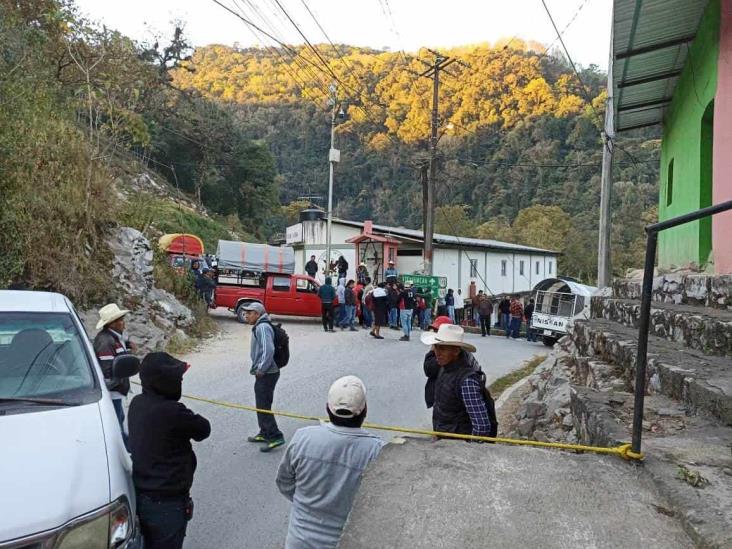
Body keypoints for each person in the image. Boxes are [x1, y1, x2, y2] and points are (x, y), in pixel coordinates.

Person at [276, 376, 384, 549]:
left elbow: (284, 482)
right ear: (365, 411)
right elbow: (377, 503)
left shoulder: (303, 437)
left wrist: (308, 502)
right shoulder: (375, 450)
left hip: (298, 542)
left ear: (327, 408)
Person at [128, 352, 211, 549]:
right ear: (165, 382)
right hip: (167, 501)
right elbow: (203, 429)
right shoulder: (172, 412)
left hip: (141, 494)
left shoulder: (137, 404)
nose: (180, 383)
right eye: (177, 380)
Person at [421, 324, 492, 437]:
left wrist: (466, 450)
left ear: (456, 351)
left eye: (443, 348)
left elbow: (481, 426)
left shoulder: (467, 381)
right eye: (436, 347)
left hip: (458, 448)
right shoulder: (444, 368)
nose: (437, 353)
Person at [93, 303, 138, 449]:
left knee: (120, 418)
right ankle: (126, 450)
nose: (122, 322)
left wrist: (127, 344)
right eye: (119, 320)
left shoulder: (114, 337)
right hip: (113, 392)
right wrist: (118, 381)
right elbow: (108, 371)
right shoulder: (105, 342)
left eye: (122, 319)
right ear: (110, 324)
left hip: (118, 390)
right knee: (116, 424)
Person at [243, 302, 285, 452]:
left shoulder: (262, 327)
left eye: (249, 313)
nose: (246, 315)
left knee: (264, 405)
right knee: (261, 404)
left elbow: (269, 350)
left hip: (268, 373)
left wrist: (261, 369)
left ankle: (275, 436)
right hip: (265, 372)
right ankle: (264, 432)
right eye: (245, 313)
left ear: (257, 314)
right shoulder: (261, 326)